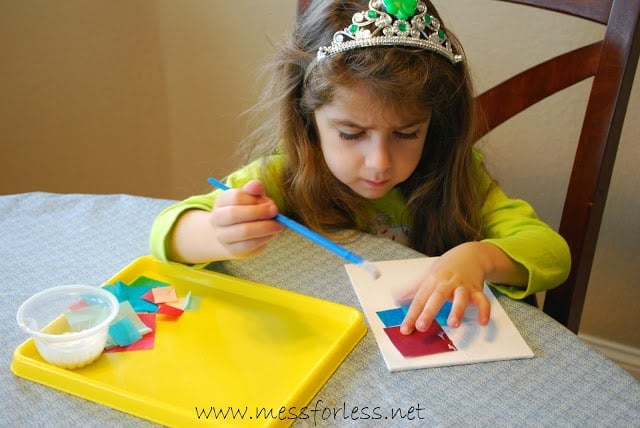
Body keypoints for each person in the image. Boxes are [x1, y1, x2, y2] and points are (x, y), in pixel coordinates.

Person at [149, 0, 571, 335]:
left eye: (407, 134)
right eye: (351, 134)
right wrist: (218, 235)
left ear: (434, 122)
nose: (379, 163)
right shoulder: (284, 175)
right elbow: (165, 232)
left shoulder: (456, 174)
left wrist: (479, 258)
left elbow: (552, 252)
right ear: (307, 116)